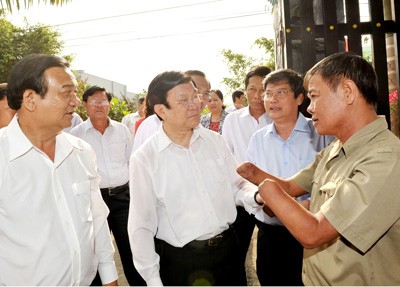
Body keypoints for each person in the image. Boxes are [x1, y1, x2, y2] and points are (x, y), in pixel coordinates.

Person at [237, 52, 400, 285]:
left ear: (348, 92)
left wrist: (268, 191)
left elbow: (314, 233)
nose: (310, 108)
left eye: (314, 97)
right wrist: (253, 174)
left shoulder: (385, 157)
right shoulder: (335, 149)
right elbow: (294, 187)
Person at [128, 71, 264, 286]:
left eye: (195, 97)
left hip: (228, 252)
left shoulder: (215, 142)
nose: (195, 104)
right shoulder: (145, 159)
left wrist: (257, 195)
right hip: (182, 261)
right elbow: (141, 226)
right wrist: (153, 280)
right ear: (161, 110)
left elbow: (236, 186)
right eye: (183, 100)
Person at [0, 54, 118, 285]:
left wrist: (109, 277)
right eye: (66, 93)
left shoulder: (82, 152)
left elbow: (97, 220)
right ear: (30, 99)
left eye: (74, 93)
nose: (75, 101)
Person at [247, 69, 334, 286]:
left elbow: (332, 182)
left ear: (299, 98)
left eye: (281, 92)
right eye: (268, 93)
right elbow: (249, 186)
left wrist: (308, 204)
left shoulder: (321, 133)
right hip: (271, 235)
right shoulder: (258, 139)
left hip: (312, 234)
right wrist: (260, 198)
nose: (272, 99)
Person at [70, 86, 145, 286]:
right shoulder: (76, 135)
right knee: (95, 252)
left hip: (123, 199)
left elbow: (132, 162)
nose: (100, 105)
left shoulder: (122, 130)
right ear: (85, 105)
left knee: (131, 250)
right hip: (94, 200)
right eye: (94, 100)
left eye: (103, 100)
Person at [221, 65, 272, 277]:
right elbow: (226, 156)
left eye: (263, 89)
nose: (257, 95)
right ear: (245, 91)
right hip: (241, 196)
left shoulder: (277, 117)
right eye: (252, 89)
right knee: (234, 254)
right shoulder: (233, 120)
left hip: (272, 196)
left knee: (270, 259)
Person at [132, 70, 211, 152]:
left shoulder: (213, 139)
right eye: (197, 92)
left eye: (206, 93)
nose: (201, 99)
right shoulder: (152, 126)